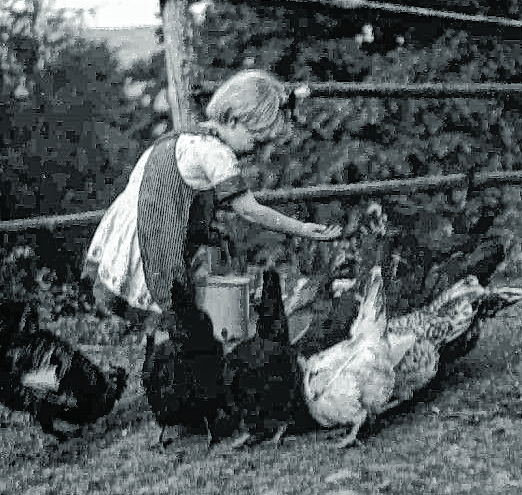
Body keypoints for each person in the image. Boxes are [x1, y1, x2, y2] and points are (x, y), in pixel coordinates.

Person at [82, 69, 342, 337]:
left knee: (168, 317)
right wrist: (301, 228)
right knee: (172, 317)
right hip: (154, 244)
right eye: (255, 140)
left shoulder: (187, 136)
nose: (255, 150)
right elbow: (250, 210)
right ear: (232, 120)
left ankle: (163, 349)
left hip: (136, 229)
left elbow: (182, 196)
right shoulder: (216, 154)